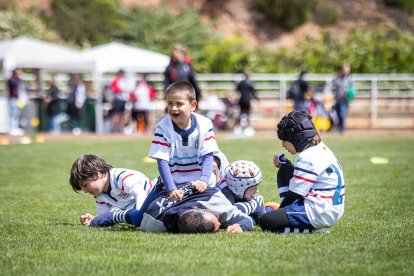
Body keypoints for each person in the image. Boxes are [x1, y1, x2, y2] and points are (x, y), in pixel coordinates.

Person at [259, 111, 345, 234]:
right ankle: (298, 219)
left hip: (318, 212)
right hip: (329, 209)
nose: (283, 145)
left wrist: (280, 211)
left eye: (285, 140)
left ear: (297, 137)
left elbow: (295, 194)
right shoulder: (320, 149)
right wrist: (287, 166)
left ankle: (313, 229)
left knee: (266, 221)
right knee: (285, 170)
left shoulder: (307, 157)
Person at [82, 182, 255, 233]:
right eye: (218, 225)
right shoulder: (153, 222)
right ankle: (259, 206)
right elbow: (120, 216)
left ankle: (257, 202)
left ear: (200, 208)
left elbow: (243, 219)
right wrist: (95, 221)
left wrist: (242, 226)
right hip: (163, 189)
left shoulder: (214, 201)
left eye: (217, 222)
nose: (220, 224)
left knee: (237, 206)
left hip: (204, 182)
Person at [149, 80, 220, 201]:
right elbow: (162, 162)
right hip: (173, 185)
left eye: (179, 104)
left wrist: (203, 180)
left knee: (223, 207)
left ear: (192, 105)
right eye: (170, 103)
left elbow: (208, 156)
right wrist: (171, 189)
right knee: (140, 217)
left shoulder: (205, 124)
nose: (173, 108)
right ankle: (117, 215)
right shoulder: (162, 127)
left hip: (201, 183)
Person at [69, 154, 157, 227]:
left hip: (158, 196)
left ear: (96, 174)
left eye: (85, 185)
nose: (85, 191)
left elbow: (140, 194)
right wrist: (93, 220)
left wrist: (139, 216)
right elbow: (106, 217)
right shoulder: (100, 196)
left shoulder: (121, 177)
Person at [216, 158, 266, 223]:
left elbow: (262, 218)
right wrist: (254, 204)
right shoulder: (226, 197)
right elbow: (232, 213)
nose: (257, 191)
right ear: (239, 189)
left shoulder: (241, 195)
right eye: (253, 188)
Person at [323, 64, 355, 133]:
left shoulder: (350, 78)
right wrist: (327, 93)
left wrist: (350, 94)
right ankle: (338, 128)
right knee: (336, 114)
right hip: (337, 100)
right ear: (342, 70)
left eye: (348, 71)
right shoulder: (337, 77)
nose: (346, 72)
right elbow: (329, 85)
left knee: (342, 114)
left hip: (345, 100)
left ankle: (341, 130)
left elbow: (353, 89)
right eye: (345, 70)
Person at [235, 70, 259, 136]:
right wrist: (257, 98)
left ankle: (238, 127)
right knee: (247, 113)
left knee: (241, 113)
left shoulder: (240, 82)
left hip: (241, 100)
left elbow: (237, 89)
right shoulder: (250, 83)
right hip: (247, 100)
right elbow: (253, 91)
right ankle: (247, 128)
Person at [7, 68, 27, 135]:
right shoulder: (11, 80)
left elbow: (25, 87)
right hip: (13, 99)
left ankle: (15, 127)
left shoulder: (19, 80)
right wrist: (19, 78)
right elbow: (13, 84)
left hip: (18, 99)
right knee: (13, 114)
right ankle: (11, 128)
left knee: (16, 114)